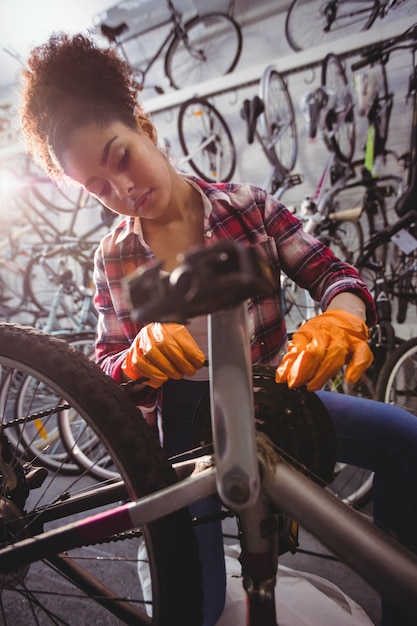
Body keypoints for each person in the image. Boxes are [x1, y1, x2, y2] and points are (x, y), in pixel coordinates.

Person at [19, 32, 417, 626]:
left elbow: (337, 276)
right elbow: (104, 372)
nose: (122, 190)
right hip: (183, 422)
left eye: (120, 157)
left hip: (274, 395)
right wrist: (134, 361)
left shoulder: (249, 206)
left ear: (144, 127)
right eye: (98, 189)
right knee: (194, 604)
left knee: (405, 442)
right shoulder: (113, 256)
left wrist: (344, 317)